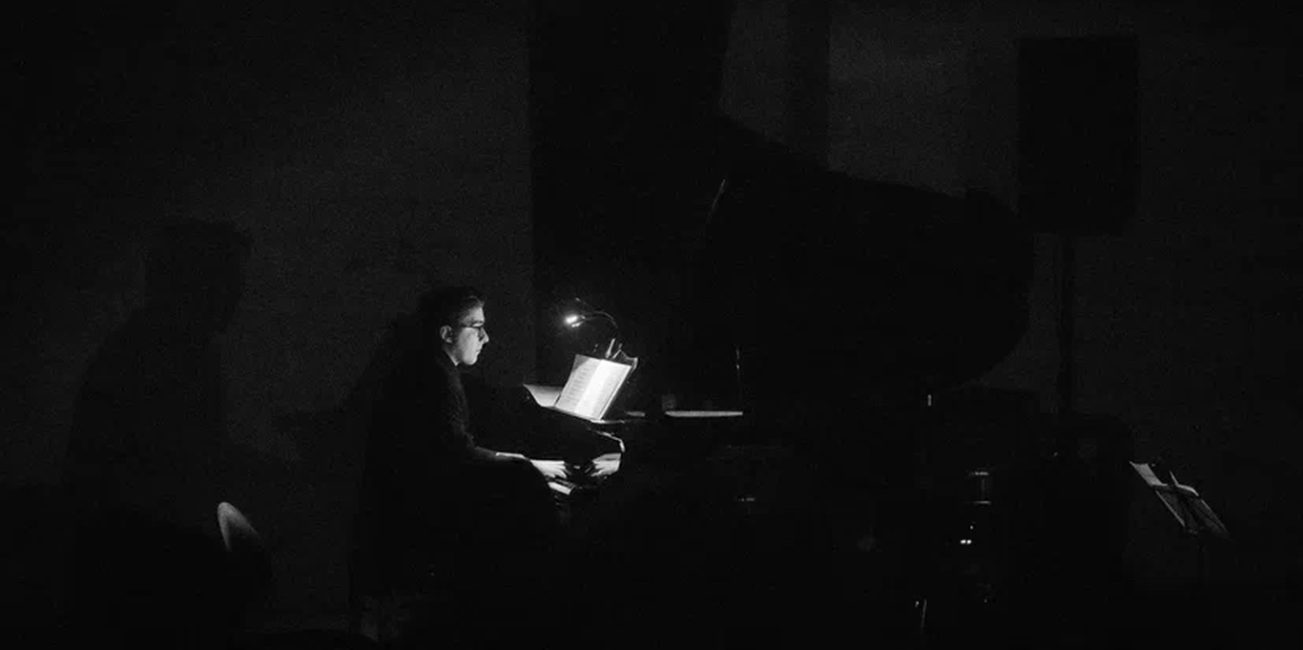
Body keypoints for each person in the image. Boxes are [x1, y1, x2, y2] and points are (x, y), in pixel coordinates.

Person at [362, 286, 570, 646]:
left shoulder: (432, 369)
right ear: (447, 333)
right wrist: (523, 464)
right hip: (420, 515)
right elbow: (454, 453)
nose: (486, 338)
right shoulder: (435, 378)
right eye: (477, 327)